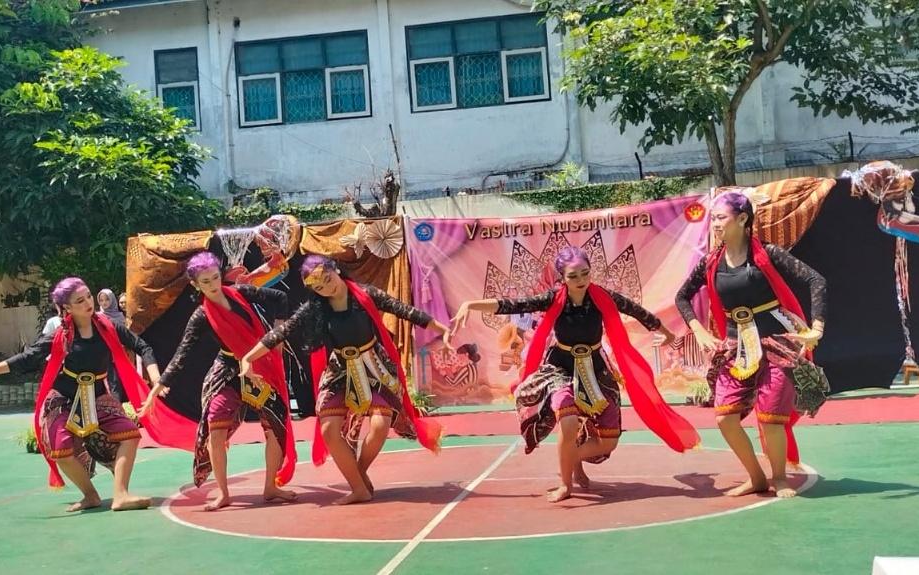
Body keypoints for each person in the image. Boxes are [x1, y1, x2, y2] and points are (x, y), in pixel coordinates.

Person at [452, 247, 699, 502]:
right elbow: (512, 305)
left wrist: (667, 334)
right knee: (568, 422)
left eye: (585, 274)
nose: (581, 281)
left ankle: (570, 457)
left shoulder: (602, 297)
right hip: (560, 368)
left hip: (596, 369)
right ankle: (565, 483)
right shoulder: (553, 298)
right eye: (573, 276)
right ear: (562, 278)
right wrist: (470, 304)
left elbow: (638, 311)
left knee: (608, 442)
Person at [240, 255, 451, 505]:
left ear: (336, 269)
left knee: (380, 425)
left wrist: (443, 330)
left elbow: (406, 311)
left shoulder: (365, 294)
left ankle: (359, 475)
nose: (327, 288)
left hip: (375, 365)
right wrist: (247, 359)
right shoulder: (316, 308)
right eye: (319, 287)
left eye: (328, 280)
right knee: (328, 428)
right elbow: (281, 332)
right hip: (340, 369)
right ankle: (359, 488)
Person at [0, 278, 156, 512]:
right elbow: (27, 357)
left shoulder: (109, 326)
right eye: (79, 301)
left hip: (99, 395)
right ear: (67, 308)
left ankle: (121, 494)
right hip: (64, 397)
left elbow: (142, 346)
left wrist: (156, 380)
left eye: (88, 297)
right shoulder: (61, 335)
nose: (88, 303)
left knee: (130, 435)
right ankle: (90, 496)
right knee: (60, 451)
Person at [676, 192, 826, 498]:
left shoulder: (767, 254)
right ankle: (757, 478)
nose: (714, 224)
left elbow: (816, 280)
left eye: (721, 217)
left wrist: (817, 327)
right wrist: (698, 330)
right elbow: (682, 297)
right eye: (713, 218)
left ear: (743, 219)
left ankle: (780, 479)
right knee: (725, 418)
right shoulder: (709, 262)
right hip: (735, 347)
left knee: (770, 416)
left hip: (776, 341)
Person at [142, 252, 297, 511]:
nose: (213, 285)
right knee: (215, 425)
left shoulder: (242, 292)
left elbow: (280, 298)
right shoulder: (201, 316)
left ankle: (270, 486)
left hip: (259, 366)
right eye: (206, 281)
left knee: (275, 427)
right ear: (195, 284)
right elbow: (182, 353)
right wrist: (155, 390)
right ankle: (223, 493)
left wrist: (276, 334)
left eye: (215, 277)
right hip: (227, 369)